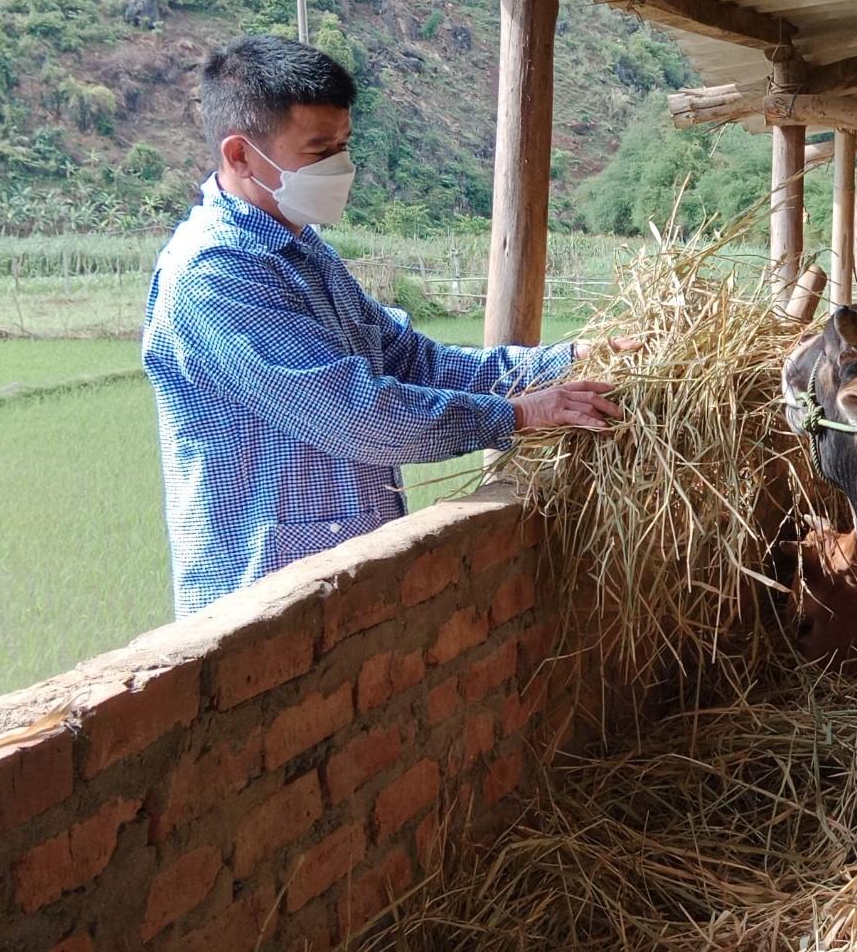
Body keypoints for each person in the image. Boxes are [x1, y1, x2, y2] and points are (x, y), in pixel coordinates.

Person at [143, 35, 625, 618]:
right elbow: (353, 413)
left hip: (343, 576)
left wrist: (568, 359)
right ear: (242, 155)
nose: (339, 167)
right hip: (263, 595)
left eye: (343, 146)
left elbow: (412, 360)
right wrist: (523, 413)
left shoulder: (303, 251)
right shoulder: (217, 274)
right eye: (318, 149)